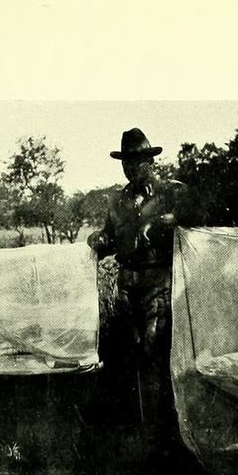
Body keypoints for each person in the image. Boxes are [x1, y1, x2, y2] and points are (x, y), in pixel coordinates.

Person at [88, 127, 187, 425]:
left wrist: (162, 222)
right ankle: (136, 423)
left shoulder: (172, 192)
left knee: (153, 349)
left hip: (158, 283)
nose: (131, 167)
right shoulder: (117, 202)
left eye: (137, 160)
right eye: (125, 161)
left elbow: (195, 215)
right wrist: (100, 240)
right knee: (127, 353)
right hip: (125, 287)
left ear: (151, 161)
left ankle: (161, 426)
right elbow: (110, 237)